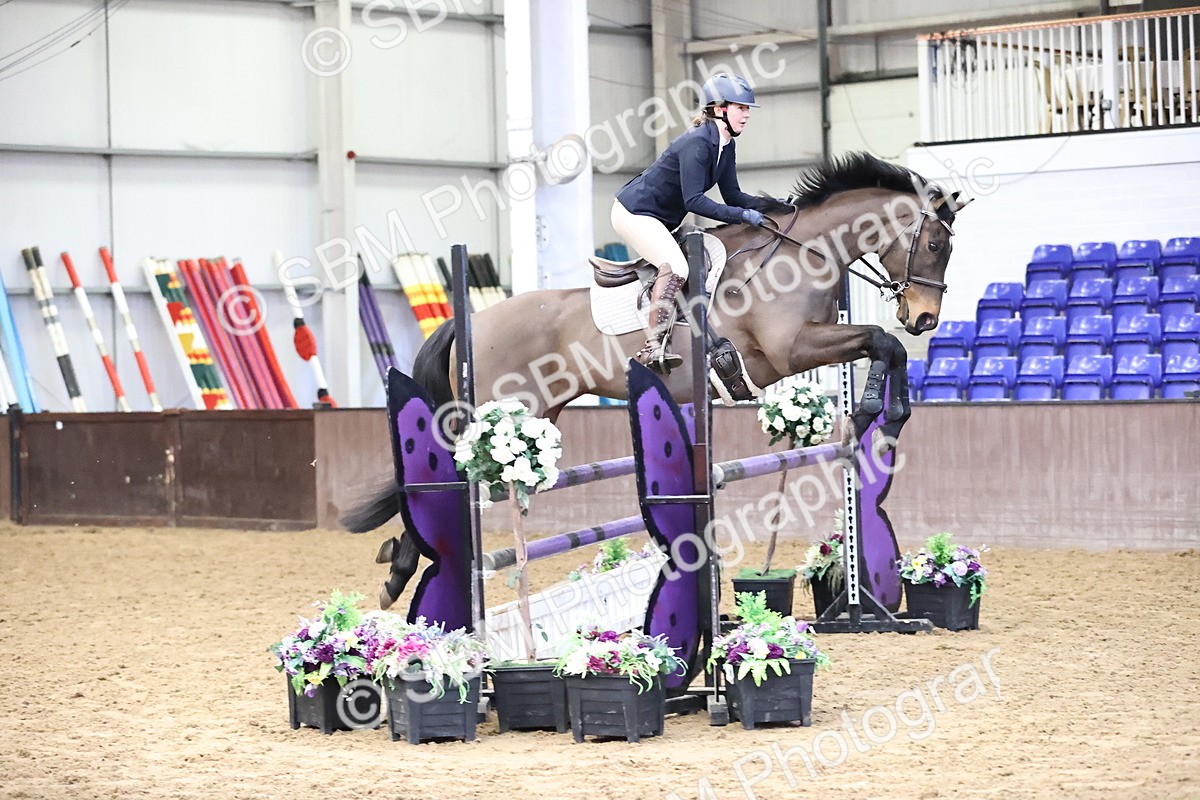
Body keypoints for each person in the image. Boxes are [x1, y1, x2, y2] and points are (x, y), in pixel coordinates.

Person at [613, 72, 782, 372]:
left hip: (662, 218)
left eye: (747, 109)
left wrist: (773, 206)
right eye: (740, 108)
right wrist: (743, 216)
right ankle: (653, 347)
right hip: (635, 212)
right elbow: (694, 201)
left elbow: (732, 195)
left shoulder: (725, 144)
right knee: (677, 267)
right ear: (719, 109)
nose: (746, 115)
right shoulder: (697, 143)